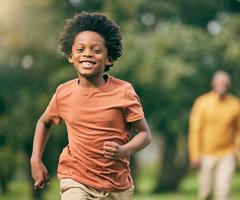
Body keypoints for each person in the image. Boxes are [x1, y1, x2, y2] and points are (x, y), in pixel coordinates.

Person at [30, 11, 151, 200]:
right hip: (76, 178)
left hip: (116, 186)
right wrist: (35, 159)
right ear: (71, 56)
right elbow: (44, 122)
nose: (87, 53)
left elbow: (144, 134)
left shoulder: (123, 92)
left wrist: (123, 151)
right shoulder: (64, 93)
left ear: (109, 59)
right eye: (80, 49)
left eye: (96, 50)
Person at [188, 71, 240, 200]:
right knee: (205, 193)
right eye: (219, 82)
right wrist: (195, 154)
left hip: (227, 155)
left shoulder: (236, 104)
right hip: (206, 155)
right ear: (213, 84)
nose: (222, 85)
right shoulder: (202, 102)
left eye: (224, 83)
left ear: (229, 85)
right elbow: (195, 130)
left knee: (224, 193)